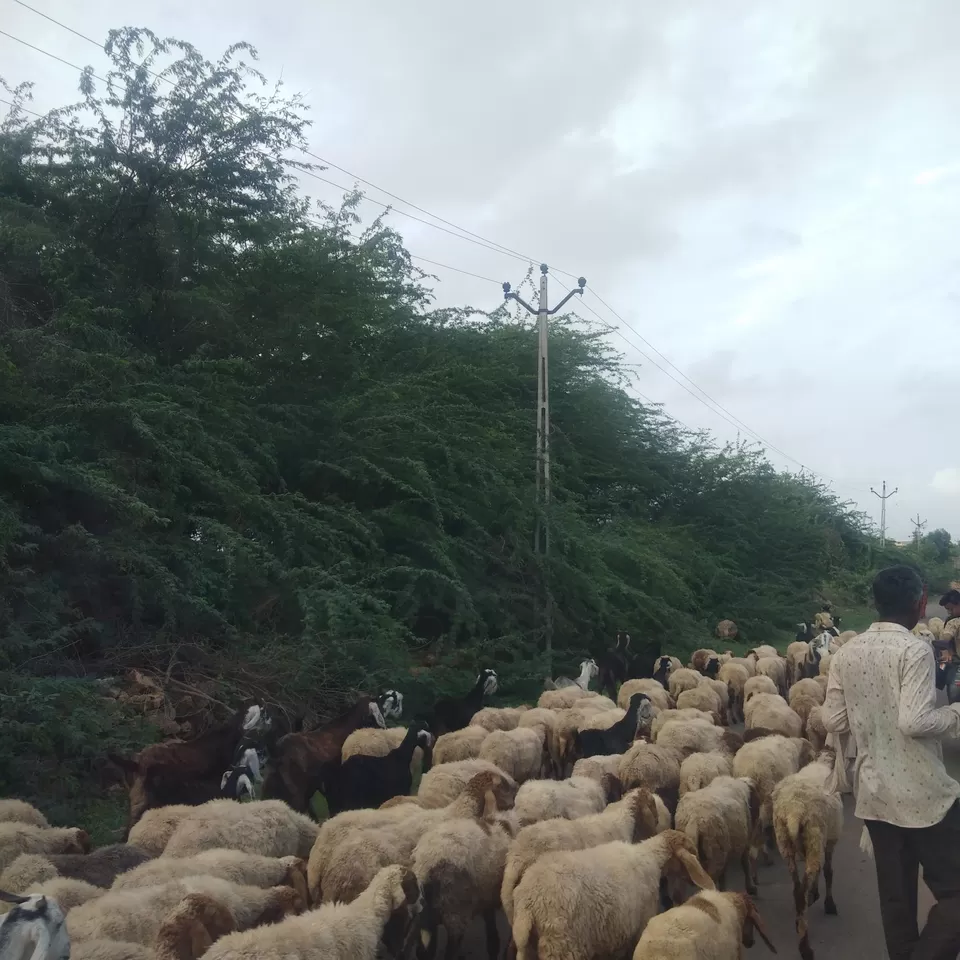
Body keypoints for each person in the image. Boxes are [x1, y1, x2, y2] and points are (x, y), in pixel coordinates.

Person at [823, 565, 960, 960]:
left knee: (896, 904)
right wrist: (954, 715)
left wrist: (867, 712)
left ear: (875, 603)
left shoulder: (847, 651)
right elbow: (915, 721)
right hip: (924, 795)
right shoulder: (914, 649)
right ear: (920, 603)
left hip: (876, 794)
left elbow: (832, 720)